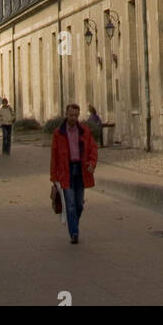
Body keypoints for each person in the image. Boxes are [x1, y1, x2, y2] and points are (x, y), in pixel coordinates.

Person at [50, 103, 98, 244]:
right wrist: (54, 177)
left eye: (76, 115)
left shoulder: (84, 131)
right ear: (66, 114)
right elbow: (54, 156)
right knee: (70, 203)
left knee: (79, 204)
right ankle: (74, 233)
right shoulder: (59, 133)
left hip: (81, 170)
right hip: (66, 170)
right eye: (71, 115)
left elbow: (93, 149)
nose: (73, 118)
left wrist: (91, 163)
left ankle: (73, 222)